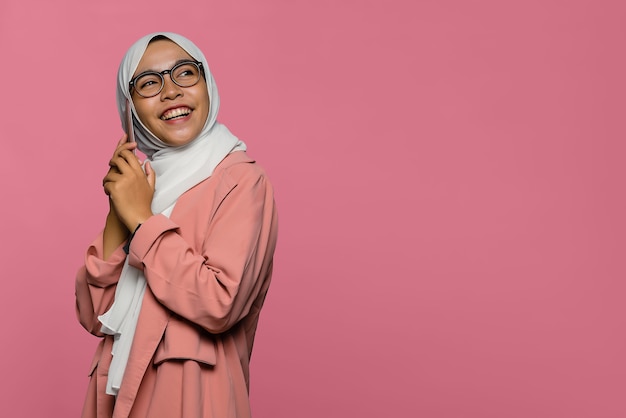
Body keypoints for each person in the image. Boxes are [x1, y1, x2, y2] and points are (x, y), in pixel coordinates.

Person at [75, 32, 278, 418]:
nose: (170, 91)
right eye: (149, 82)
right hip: (117, 399)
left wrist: (141, 219)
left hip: (195, 401)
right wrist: (119, 209)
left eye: (185, 73)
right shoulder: (141, 185)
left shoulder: (240, 179)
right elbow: (95, 315)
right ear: (129, 107)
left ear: (206, 84)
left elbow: (220, 302)